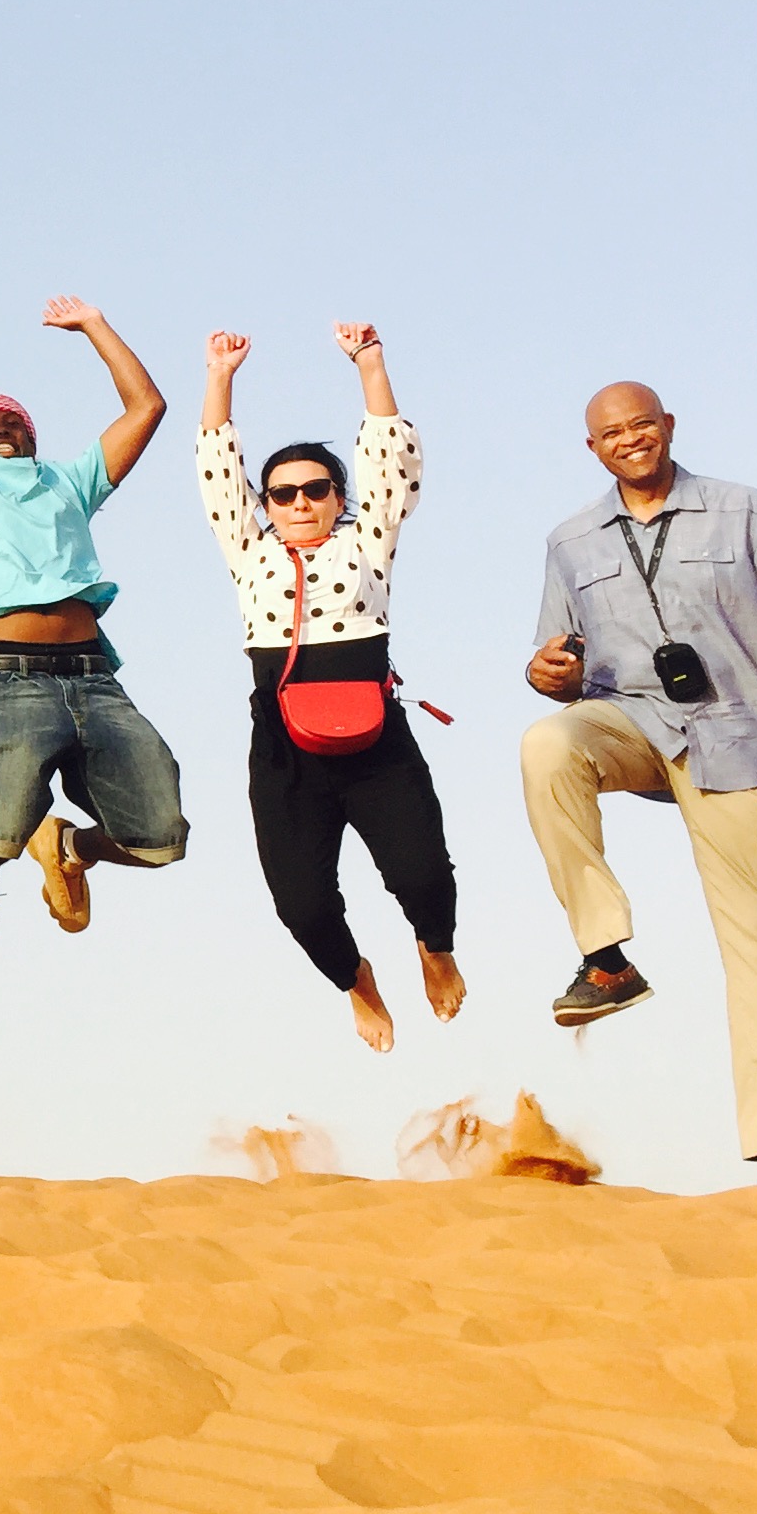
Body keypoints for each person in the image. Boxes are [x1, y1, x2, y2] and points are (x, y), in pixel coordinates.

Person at [522, 382, 757, 1184]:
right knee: (547, 743)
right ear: (593, 448)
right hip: (629, 725)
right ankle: (605, 957)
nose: (630, 440)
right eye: (611, 433)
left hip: (740, 740)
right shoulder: (570, 541)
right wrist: (546, 672)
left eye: (642, 425)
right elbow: (558, 666)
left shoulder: (744, 510)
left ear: (667, 428)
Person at [0, 257, 186, 954]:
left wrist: (93, 324)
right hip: (7, 676)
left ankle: (69, 848)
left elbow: (147, 407)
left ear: (34, 439)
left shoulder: (69, 481)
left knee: (158, 837)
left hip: (94, 676)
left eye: (15, 418)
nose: (1, 419)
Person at [196, 322, 461, 1052]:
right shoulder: (250, 554)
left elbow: (391, 462)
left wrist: (370, 363)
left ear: (337, 496)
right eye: (283, 494)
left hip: (375, 734)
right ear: (268, 505)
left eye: (316, 489)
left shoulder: (365, 541)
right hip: (285, 748)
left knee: (425, 875)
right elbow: (218, 474)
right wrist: (220, 377)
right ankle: (357, 981)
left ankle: (434, 949)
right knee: (303, 905)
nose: (301, 502)